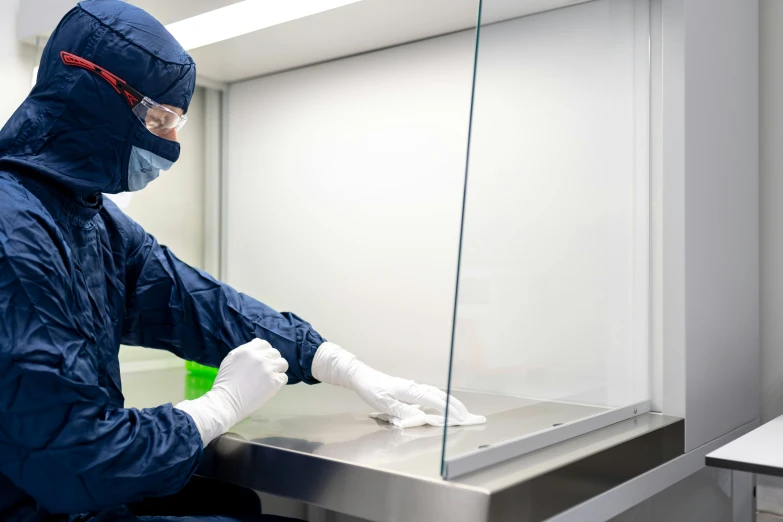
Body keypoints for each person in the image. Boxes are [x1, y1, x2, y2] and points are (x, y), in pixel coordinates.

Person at [0, 2, 483, 521]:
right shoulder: (12, 232)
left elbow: (199, 305)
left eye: (177, 121)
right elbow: (74, 457)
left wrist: (336, 363)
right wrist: (215, 408)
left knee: (239, 503)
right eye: (159, 119)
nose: (170, 143)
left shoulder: (89, 218)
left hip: (67, 499)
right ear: (92, 93)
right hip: (37, 504)